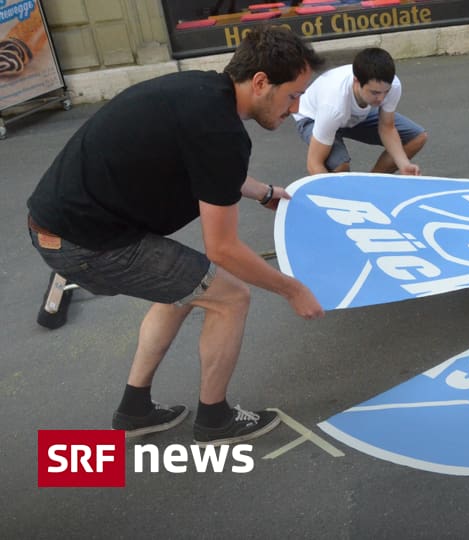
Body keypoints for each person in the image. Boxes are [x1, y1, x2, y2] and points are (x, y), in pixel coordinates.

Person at [26, 26, 326, 446]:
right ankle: (215, 419)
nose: (295, 109)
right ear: (260, 83)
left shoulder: (204, 92)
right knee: (230, 296)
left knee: (186, 287)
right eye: (293, 95)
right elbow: (222, 248)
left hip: (62, 223)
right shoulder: (221, 132)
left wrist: (263, 192)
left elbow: (205, 163)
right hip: (87, 241)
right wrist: (292, 290)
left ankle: (135, 409)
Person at [293, 47, 427, 176]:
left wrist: (404, 165)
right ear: (356, 81)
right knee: (340, 166)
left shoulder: (393, 86)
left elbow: (387, 128)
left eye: (385, 92)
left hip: (354, 113)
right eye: (374, 92)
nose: (381, 98)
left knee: (417, 137)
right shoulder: (333, 104)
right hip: (314, 116)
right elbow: (314, 164)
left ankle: (370, 183)